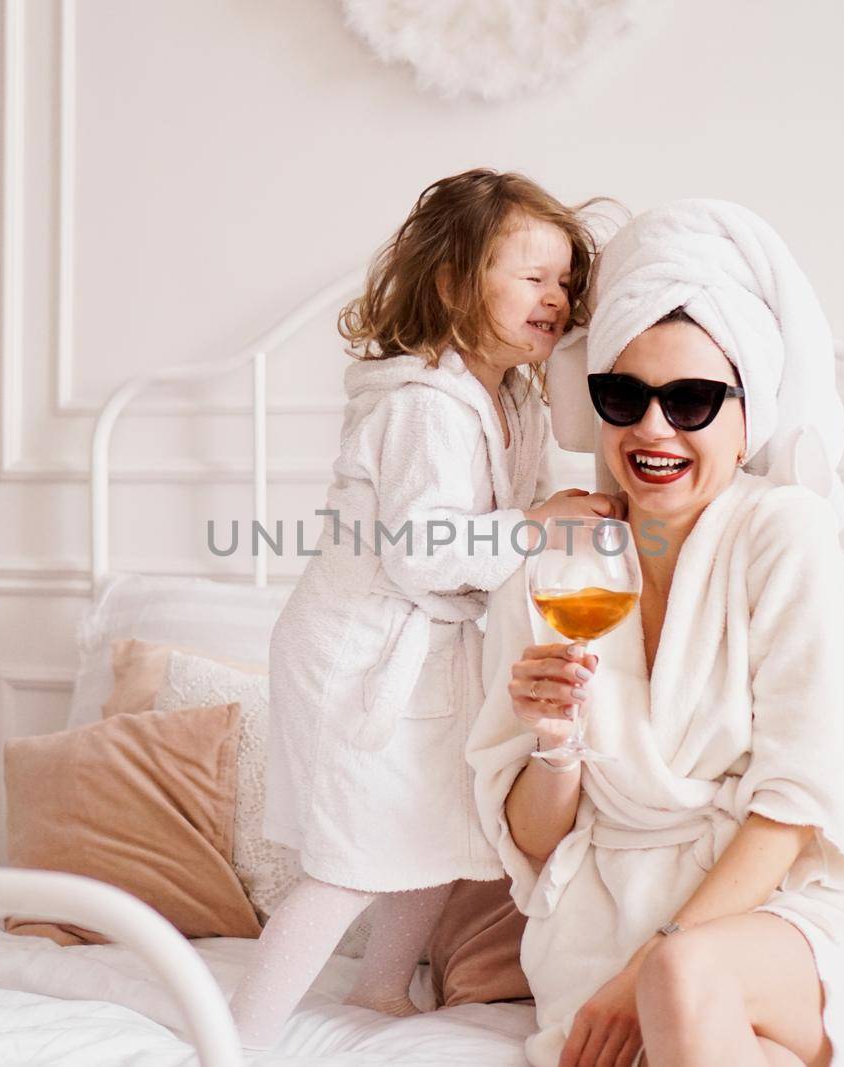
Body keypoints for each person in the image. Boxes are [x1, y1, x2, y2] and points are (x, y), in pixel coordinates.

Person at [469, 200, 844, 1067]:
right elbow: (534, 843)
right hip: (596, 934)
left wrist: (657, 959)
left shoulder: (783, 535)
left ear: (746, 412)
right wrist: (554, 746)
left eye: (691, 400)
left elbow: (796, 807)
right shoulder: (554, 558)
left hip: (777, 921)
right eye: (624, 396)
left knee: (684, 981)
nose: (653, 429)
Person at [230, 168, 621, 1049]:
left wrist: (562, 513)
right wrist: (535, 527)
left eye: (565, 281)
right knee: (349, 855)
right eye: (530, 277)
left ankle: (376, 990)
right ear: (452, 283)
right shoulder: (423, 408)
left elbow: (504, 516)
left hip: (429, 653)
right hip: (359, 656)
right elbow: (425, 550)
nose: (554, 298)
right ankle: (237, 1032)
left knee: (440, 829)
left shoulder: (511, 395)